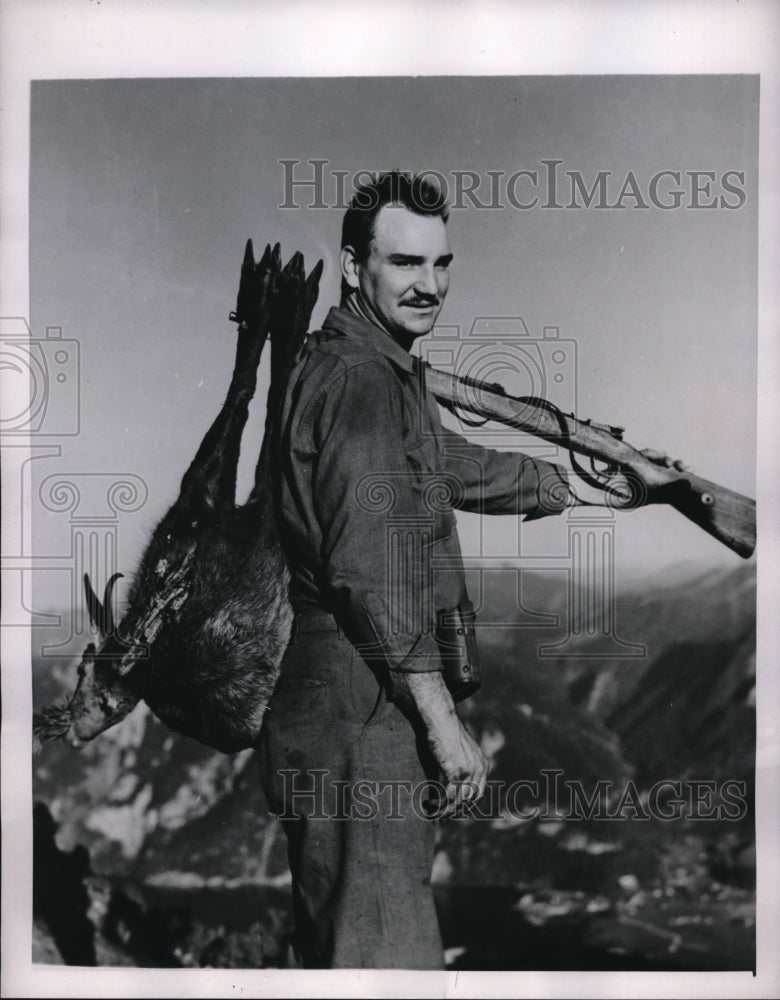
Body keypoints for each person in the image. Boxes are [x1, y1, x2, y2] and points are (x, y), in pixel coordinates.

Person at [258, 170, 681, 969]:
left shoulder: (368, 369)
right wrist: (442, 724)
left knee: (349, 951)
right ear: (354, 267)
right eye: (406, 263)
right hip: (366, 702)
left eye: (441, 264)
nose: (430, 285)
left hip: (340, 707)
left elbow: (449, 462)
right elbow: (370, 572)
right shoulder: (363, 382)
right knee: (386, 963)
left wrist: (595, 481)